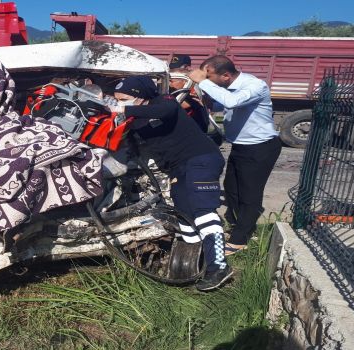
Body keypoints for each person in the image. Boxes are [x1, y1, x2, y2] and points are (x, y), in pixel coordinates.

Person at [109, 75, 232, 291]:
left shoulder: (163, 102)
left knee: (202, 210)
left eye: (124, 98)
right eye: (116, 99)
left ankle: (219, 266)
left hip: (200, 159)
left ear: (139, 97)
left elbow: (165, 111)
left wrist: (123, 110)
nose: (120, 103)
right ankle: (193, 266)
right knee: (184, 214)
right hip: (177, 167)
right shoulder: (136, 120)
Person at [188, 55, 282, 255]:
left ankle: (240, 239)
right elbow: (223, 105)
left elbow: (231, 102)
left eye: (209, 75)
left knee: (250, 194)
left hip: (260, 147)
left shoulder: (255, 85)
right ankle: (240, 225)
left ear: (225, 76)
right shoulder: (226, 86)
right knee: (231, 188)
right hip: (240, 146)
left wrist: (203, 82)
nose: (206, 79)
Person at [169, 55, 209, 133]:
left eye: (180, 68)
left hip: (194, 125)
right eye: (172, 69)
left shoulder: (194, 85)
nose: (169, 84)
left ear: (188, 67)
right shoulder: (174, 84)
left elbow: (187, 104)